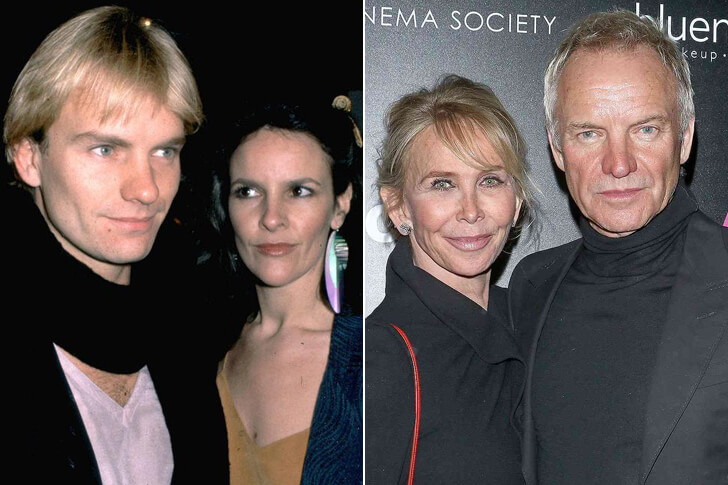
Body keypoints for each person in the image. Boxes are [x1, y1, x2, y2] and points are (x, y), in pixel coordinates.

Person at [2, 6, 228, 483]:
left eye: (164, 151)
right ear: (29, 158)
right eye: (106, 149)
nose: (146, 189)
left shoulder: (188, 336)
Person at [509, 10, 728, 485]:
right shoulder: (530, 286)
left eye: (645, 129)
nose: (619, 163)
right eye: (589, 133)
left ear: (684, 138)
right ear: (558, 148)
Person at [366, 74, 533, 484]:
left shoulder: (539, 319)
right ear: (398, 207)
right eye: (443, 185)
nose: (471, 211)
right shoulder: (381, 357)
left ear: (516, 199)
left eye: (490, 180)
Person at [206, 95, 363, 484]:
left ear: (340, 204)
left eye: (299, 191)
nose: (271, 218)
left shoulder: (373, 361)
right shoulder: (195, 353)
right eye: (248, 191)